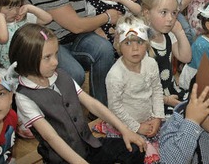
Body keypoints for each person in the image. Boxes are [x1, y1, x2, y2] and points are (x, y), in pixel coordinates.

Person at [12, 24, 146, 163]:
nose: (55, 62)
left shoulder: (61, 75)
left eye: (56, 54)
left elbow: (92, 104)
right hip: (64, 159)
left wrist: (124, 130)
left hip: (88, 146)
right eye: (47, 57)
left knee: (135, 147)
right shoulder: (24, 96)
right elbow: (51, 137)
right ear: (27, 59)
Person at [103, 16, 165, 163]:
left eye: (140, 42)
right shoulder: (115, 76)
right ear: (119, 44)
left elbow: (157, 91)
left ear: (147, 43)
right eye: (128, 42)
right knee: (143, 155)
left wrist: (157, 117)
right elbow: (115, 108)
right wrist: (137, 127)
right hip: (126, 127)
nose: (135, 48)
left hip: (149, 121)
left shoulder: (151, 64)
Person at [141, 0, 192, 116]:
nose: (170, 19)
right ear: (147, 13)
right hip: (152, 99)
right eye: (164, 12)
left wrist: (180, 32)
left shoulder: (168, 36)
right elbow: (140, 88)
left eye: (174, 13)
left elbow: (186, 57)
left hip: (171, 91)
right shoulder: (142, 44)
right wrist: (166, 100)